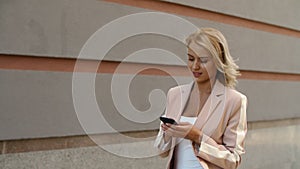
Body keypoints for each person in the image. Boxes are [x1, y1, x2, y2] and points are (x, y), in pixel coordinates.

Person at [154, 28, 247, 169]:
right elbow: (161, 150)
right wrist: (167, 134)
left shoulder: (234, 101)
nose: (195, 66)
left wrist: (197, 137)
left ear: (217, 61)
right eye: (191, 58)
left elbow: (233, 159)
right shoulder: (175, 95)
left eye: (203, 60)